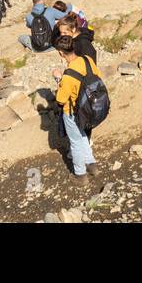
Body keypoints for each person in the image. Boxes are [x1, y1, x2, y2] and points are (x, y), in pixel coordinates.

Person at [52, 34, 100, 184]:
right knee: (82, 136)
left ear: (61, 53)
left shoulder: (68, 75)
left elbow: (60, 99)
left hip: (72, 111)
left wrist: (59, 79)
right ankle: (91, 165)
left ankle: (80, 175)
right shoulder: (87, 60)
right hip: (89, 107)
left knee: (75, 142)